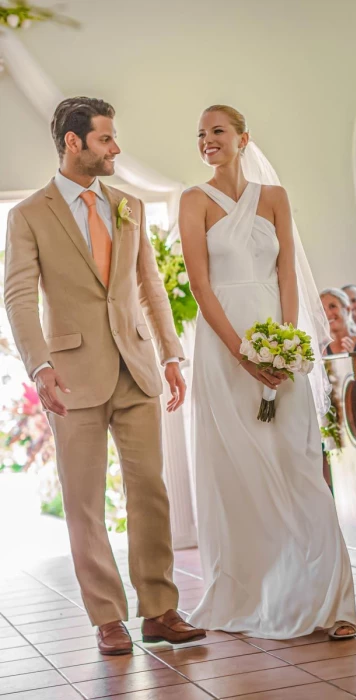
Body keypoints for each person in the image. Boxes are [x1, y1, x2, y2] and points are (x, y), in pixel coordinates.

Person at [3, 97, 205, 655]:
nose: (116, 149)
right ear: (73, 143)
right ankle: (107, 618)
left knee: (151, 492)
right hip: (70, 377)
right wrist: (40, 365)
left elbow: (151, 287)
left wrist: (169, 354)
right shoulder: (28, 215)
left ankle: (160, 610)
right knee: (85, 502)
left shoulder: (129, 206)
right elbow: (18, 295)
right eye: (105, 140)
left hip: (135, 368)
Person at [179, 105, 356, 640]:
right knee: (238, 471)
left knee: (299, 464)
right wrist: (241, 353)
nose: (208, 141)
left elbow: (286, 276)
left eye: (218, 131)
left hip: (277, 341)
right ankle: (250, 593)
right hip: (222, 346)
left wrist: (282, 343)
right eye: (201, 134)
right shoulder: (193, 201)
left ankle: (333, 602)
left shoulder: (274, 199)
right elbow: (200, 286)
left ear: (242, 139)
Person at [321, 287, 356, 355]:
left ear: (347, 310)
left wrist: (352, 359)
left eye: (332, 306)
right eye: (323, 309)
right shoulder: (320, 349)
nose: (328, 314)